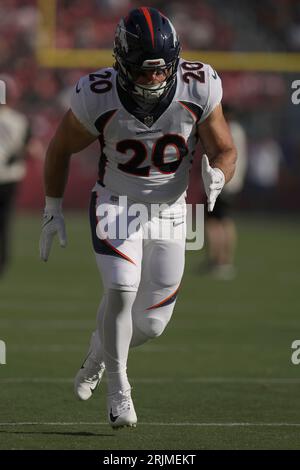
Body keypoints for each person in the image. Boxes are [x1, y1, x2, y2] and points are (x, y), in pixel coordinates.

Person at [39, 7, 236, 428]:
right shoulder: (97, 93)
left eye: (161, 70)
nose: (154, 80)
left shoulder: (198, 86)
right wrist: (52, 207)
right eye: (143, 72)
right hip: (117, 202)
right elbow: (58, 148)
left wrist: (219, 174)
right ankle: (118, 391)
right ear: (122, 64)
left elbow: (225, 149)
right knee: (122, 288)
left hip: (171, 209)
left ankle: (96, 354)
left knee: (152, 323)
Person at [203, 104, 247, 280]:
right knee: (225, 220)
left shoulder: (227, 130)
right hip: (233, 182)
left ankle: (217, 260)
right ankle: (225, 260)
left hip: (221, 180)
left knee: (213, 222)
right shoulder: (239, 130)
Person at [0, 75, 30, 277]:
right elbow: (28, 149)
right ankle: (2, 260)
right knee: (4, 222)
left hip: (9, 175)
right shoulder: (19, 120)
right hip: (10, 176)